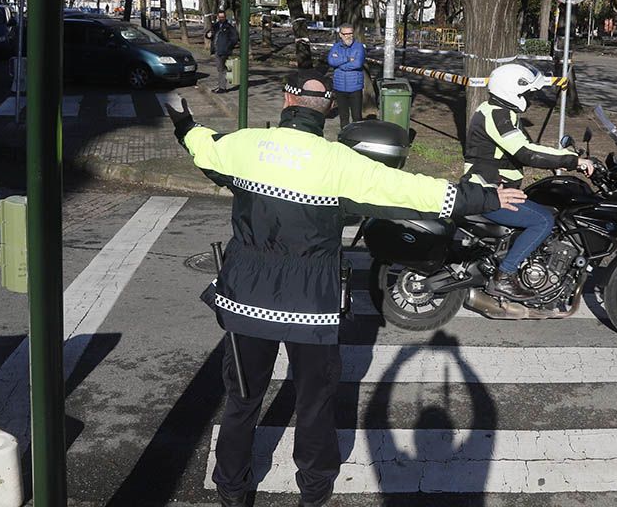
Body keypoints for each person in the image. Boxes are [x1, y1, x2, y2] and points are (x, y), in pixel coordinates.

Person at [166, 69, 525, 507]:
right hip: (311, 307)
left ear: (285, 99)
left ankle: (232, 490)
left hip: (246, 299)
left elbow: (201, 146)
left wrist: (183, 122)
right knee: (315, 405)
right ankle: (314, 493)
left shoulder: (243, 146)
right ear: (329, 109)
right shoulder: (342, 163)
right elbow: (414, 192)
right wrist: (486, 198)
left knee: (242, 400)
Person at [463, 62, 594, 299]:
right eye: (527, 93)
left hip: (495, 188)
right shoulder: (498, 115)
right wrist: (573, 161)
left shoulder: (500, 112)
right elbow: (526, 152)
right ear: (512, 91)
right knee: (543, 220)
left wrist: (561, 161)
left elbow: (526, 149)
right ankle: (504, 276)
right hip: (487, 192)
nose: (530, 97)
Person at [326, 23, 366, 127]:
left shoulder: (359, 47)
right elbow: (331, 61)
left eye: (351, 33)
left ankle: (357, 137)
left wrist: (340, 65)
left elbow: (358, 64)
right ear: (340, 34)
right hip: (339, 87)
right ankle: (344, 137)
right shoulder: (335, 47)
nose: (349, 36)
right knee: (343, 116)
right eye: (345, 34)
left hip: (355, 87)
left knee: (357, 117)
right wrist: (347, 59)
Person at [205, 10, 239, 93]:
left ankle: (222, 87)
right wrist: (208, 35)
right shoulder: (215, 26)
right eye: (220, 17)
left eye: (222, 17)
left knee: (222, 69)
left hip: (224, 51)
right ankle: (220, 86)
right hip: (217, 50)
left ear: (225, 17)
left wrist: (228, 46)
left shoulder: (229, 27)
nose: (221, 18)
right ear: (217, 17)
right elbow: (209, 34)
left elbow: (235, 38)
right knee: (220, 69)